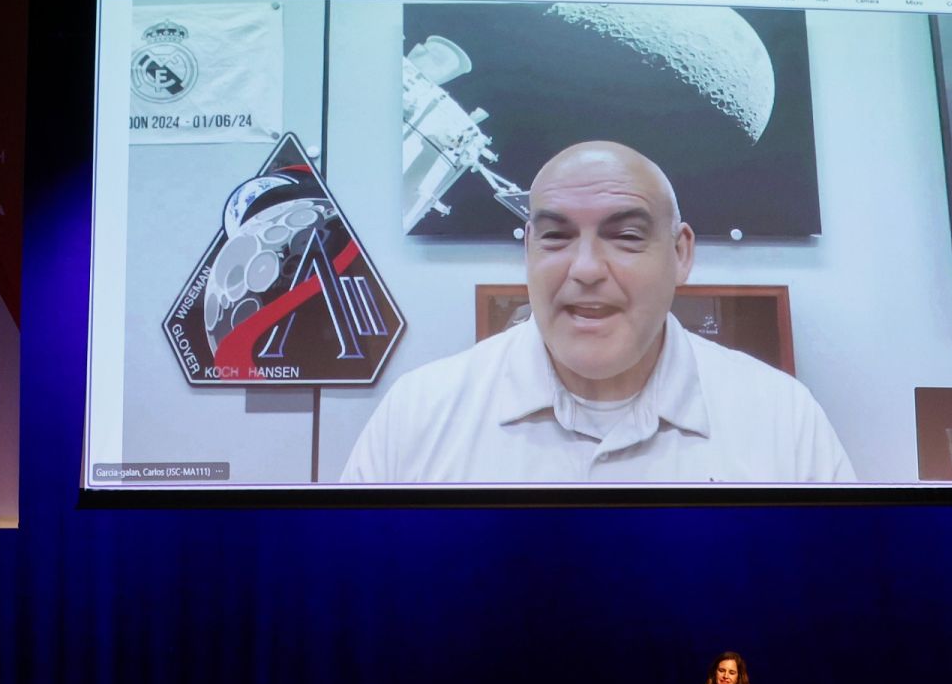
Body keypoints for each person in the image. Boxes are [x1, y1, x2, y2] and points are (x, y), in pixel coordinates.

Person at [341, 141, 854, 483]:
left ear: (681, 254)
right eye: (557, 237)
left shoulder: (783, 419)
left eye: (626, 236)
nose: (585, 268)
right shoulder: (418, 415)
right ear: (528, 254)